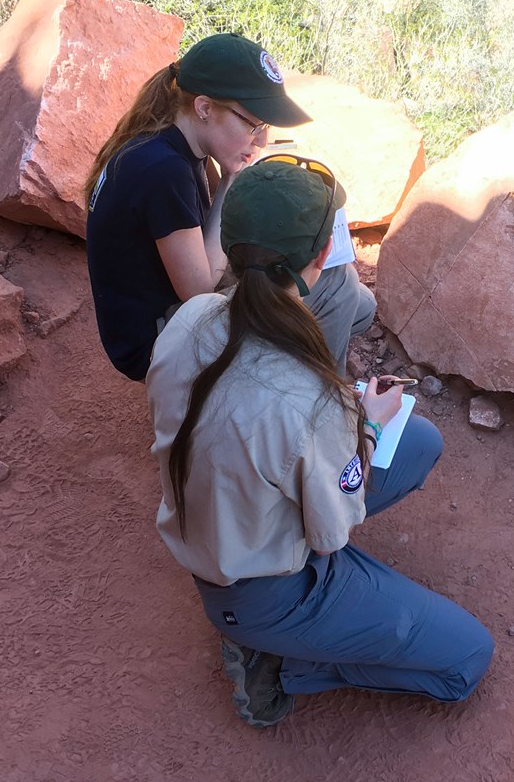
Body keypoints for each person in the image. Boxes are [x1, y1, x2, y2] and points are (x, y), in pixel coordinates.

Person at [146, 158, 494, 727]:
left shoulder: (191, 317)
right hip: (261, 591)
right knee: (466, 662)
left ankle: (296, 626)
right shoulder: (310, 399)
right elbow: (330, 533)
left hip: (219, 530)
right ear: (316, 261)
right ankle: (282, 662)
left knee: (420, 442)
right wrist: (368, 425)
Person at [84, 32, 375, 381]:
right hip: (157, 341)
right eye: (254, 124)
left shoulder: (166, 142)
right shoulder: (163, 171)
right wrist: (234, 180)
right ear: (205, 108)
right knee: (339, 287)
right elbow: (199, 289)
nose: (262, 139)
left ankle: (283, 378)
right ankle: (315, 403)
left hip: (167, 309)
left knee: (360, 306)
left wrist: (228, 177)